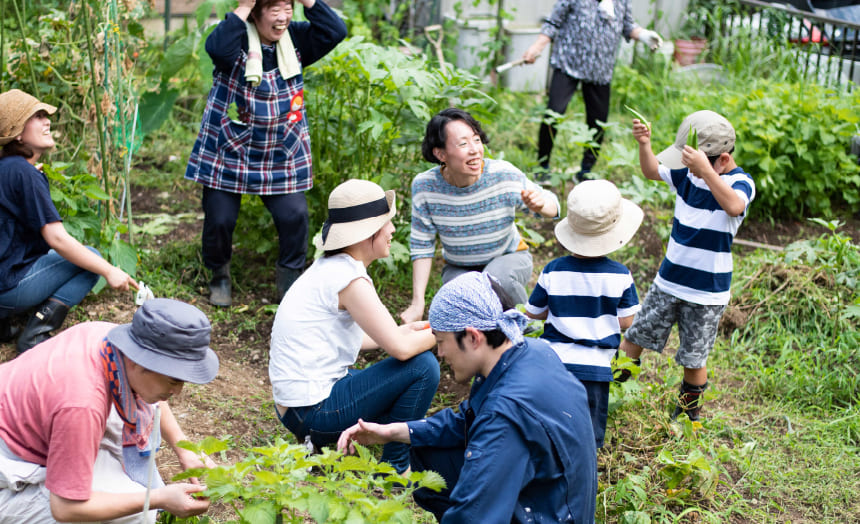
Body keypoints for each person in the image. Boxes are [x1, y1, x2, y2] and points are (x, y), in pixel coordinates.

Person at [339, 272, 597, 523]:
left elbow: (473, 517)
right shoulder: (531, 352)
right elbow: (469, 419)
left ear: (473, 337)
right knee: (429, 450)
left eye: (441, 341)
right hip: (557, 498)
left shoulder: (505, 415)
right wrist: (394, 431)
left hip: (547, 514)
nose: (439, 353)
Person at [270, 179, 439, 474]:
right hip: (312, 411)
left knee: (402, 394)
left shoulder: (331, 268)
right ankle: (396, 468)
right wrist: (445, 331)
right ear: (367, 233)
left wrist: (409, 332)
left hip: (296, 408)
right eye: (387, 223)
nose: (392, 231)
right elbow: (400, 350)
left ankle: (320, 447)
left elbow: (353, 339)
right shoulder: (350, 278)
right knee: (423, 367)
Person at [185, 0, 347, 307]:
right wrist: (245, 4)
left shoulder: (296, 40)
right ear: (255, 13)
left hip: (279, 149)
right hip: (230, 148)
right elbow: (217, 49)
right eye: (274, 9)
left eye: (288, 8)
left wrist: (307, 1)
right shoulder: (236, 39)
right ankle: (219, 274)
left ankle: (290, 280)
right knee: (219, 218)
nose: (284, 17)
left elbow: (335, 30)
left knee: (295, 216)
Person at [0, 298, 220, 523]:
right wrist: (156, 499)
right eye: (173, 380)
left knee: (124, 468)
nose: (178, 391)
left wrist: (185, 449)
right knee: (140, 515)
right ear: (140, 361)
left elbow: (152, 397)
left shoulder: (112, 340)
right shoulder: (82, 405)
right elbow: (66, 509)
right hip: (9, 464)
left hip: (23, 415)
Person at [617, 110, 755, 421]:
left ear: (721, 159)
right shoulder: (688, 175)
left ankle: (686, 417)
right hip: (668, 281)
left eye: (693, 163)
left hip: (706, 293)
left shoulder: (739, 182)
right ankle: (612, 391)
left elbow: (734, 206)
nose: (687, 170)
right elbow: (652, 170)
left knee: (694, 357)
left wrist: (706, 172)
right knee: (636, 336)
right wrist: (644, 144)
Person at [0, 89, 138, 354]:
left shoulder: (10, 168)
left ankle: (4, 326)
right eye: (37, 117)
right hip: (6, 287)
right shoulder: (23, 174)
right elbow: (58, 238)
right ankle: (36, 334)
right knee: (90, 259)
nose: (47, 121)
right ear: (17, 133)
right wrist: (109, 270)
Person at [400, 108, 560, 323]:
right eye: (463, 144)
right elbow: (422, 245)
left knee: (495, 280)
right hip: (460, 266)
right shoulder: (425, 186)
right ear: (441, 154)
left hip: (508, 257)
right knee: (460, 297)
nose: (475, 150)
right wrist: (417, 302)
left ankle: (529, 331)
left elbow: (553, 207)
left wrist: (541, 205)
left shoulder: (502, 174)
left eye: (477, 140)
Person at [525, 179, 643, 449]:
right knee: (587, 435)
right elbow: (627, 322)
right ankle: (582, 475)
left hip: (553, 364)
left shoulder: (553, 270)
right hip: (596, 369)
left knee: (552, 425)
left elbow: (534, 313)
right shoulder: (621, 275)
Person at [522, 0, 663, 181]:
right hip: (568, 64)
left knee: (598, 122)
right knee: (553, 113)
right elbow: (553, 22)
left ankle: (586, 171)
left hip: (600, 71)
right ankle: (543, 166)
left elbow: (627, 26)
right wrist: (537, 47)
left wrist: (643, 35)